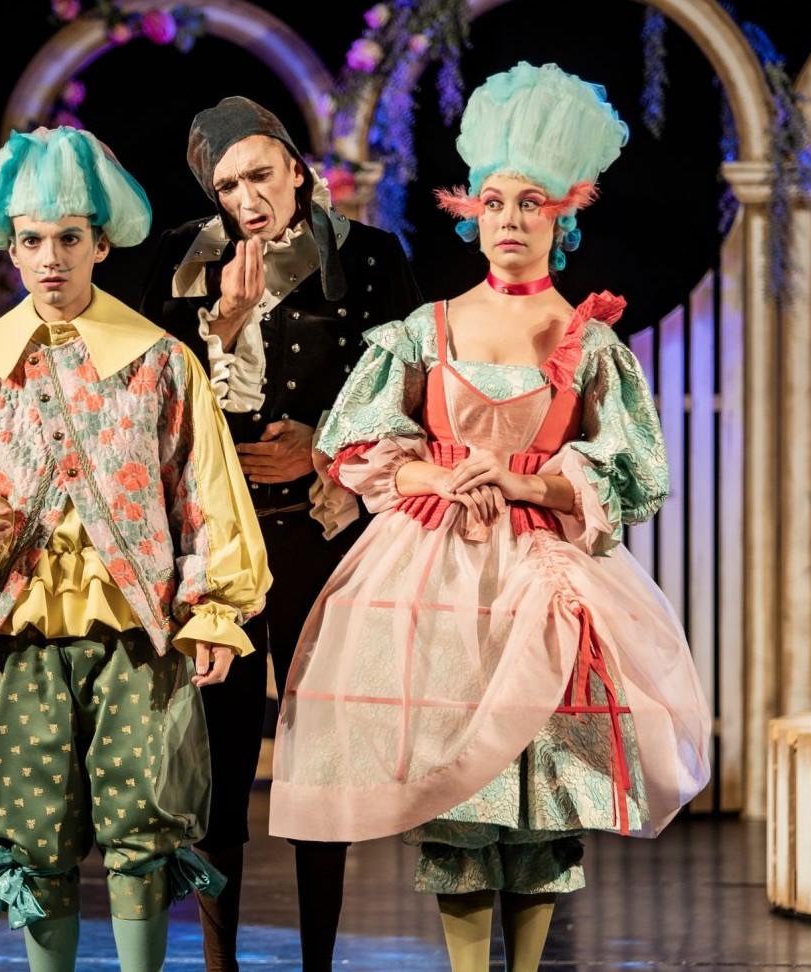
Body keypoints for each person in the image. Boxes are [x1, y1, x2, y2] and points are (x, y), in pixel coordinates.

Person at [268, 62, 713, 972]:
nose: (510, 219)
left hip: (544, 581)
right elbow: (353, 443)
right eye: (495, 201)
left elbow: (634, 475)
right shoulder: (427, 329)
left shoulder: (590, 343)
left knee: (542, 791)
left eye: (531, 203)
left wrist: (522, 483)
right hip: (439, 578)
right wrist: (438, 474)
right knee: (461, 801)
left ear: (564, 216)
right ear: (471, 212)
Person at [0, 125, 271, 972]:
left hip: (138, 631)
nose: (50, 258)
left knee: (143, 826)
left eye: (68, 238)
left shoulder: (159, 363)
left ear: (101, 243)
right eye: (32, 240)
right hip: (25, 632)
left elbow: (203, 493)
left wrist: (214, 608)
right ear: (11, 250)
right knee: (34, 830)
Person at [137, 96, 423, 971]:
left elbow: (408, 394)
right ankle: (219, 961)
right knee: (218, 753)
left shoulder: (370, 258)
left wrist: (323, 445)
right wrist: (222, 325)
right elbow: (155, 402)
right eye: (227, 186)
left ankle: (319, 961)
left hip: (321, 534)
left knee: (318, 753)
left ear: (297, 168)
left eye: (260, 175)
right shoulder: (185, 263)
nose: (246, 199)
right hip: (220, 543)